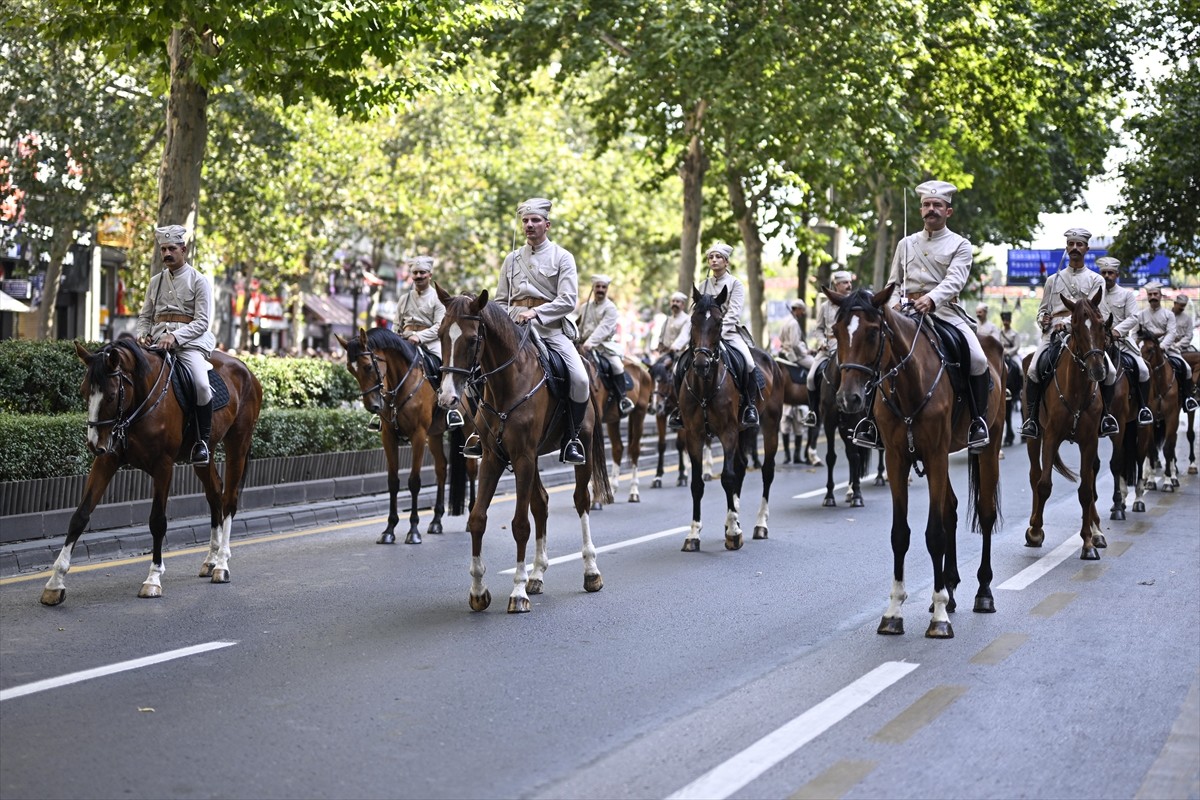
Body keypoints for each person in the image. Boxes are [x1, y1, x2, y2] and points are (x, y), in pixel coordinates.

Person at [473, 197, 590, 465]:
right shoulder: (511, 259)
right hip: (513, 332)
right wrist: (509, 316)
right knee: (478, 372)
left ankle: (572, 438)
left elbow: (568, 299)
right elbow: (501, 300)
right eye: (525, 220)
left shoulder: (563, 257)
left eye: (535, 220)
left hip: (550, 331)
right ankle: (481, 434)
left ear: (546, 225)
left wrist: (536, 312)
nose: (529, 225)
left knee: (581, 380)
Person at [884, 180, 990, 451]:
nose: (931, 209)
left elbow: (955, 281)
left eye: (937, 205)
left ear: (948, 211)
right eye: (927, 205)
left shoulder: (960, 245)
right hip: (905, 313)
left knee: (978, 359)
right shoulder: (905, 244)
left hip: (944, 312)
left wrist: (931, 299)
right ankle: (872, 424)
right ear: (921, 210)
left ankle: (977, 421)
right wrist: (893, 305)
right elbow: (893, 283)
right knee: (875, 353)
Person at [1021, 227, 1119, 439]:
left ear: (1086, 249)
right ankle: (1032, 420)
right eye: (1071, 244)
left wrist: (1066, 322)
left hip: (1085, 334)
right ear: (1067, 248)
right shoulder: (1053, 280)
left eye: (1079, 244)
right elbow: (1043, 309)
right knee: (1032, 371)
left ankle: (1106, 417)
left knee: (1110, 372)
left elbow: (1089, 311)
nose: (1075, 248)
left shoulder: (1096, 280)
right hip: (1054, 334)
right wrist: (1044, 320)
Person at [136, 224, 218, 464]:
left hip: (188, 345)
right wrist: (143, 334)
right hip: (157, 343)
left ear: (184, 249)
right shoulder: (155, 281)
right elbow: (145, 317)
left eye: (172, 248)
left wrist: (176, 337)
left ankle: (202, 442)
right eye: (163, 249)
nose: (167, 254)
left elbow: (202, 322)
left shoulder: (199, 281)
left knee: (202, 385)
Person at [668, 242, 760, 431]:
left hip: (729, 333)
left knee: (749, 363)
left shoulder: (736, 284)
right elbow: (695, 319)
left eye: (718, 257)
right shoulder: (702, 285)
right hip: (703, 337)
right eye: (711, 257)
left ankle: (749, 407)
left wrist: (717, 335)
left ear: (726, 261)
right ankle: (680, 409)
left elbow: (733, 313)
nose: (714, 260)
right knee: (679, 366)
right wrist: (679, 343)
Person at [395, 255, 462, 428]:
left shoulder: (438, 298)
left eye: (422, 272)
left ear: (430, 275)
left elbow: (439, 326)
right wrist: (397, 338)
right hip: (405, 342)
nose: (418, 276)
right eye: (415, 273)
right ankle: (385, 411)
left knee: (443, 366)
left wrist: (419, 337)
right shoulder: (404, 299)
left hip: (431, 343)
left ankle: (450, 411)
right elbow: (397, 324)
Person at [1097, 257, 1153, 425]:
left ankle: (1143, 408)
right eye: (1104, 273)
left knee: (1143, 370)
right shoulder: (1094, 294)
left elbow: (1134, 316)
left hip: (1123, 342)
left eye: (1110, 273)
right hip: (1100, 343)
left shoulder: (1126, 294)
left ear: (1117, 275)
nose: (1107, 276)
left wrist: (1117, 331)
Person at [577, 274, 635, 416]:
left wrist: (590, 343)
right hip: (584, 345)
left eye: (603, 287)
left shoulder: (611, 308)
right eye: (598, 287)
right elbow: (579, 327)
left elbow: (604, 328)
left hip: (605, 347)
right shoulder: (584, 307)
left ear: (607, 289)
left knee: (616, 366)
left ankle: (622, 398)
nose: (600, 289)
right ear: (593, 288)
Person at [1137, 282, 1199, 413]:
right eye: (1150, 294)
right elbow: (1136, 333)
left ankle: (1188, 399)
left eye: (1155, 294)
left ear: (1160, 296)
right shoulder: (1141, 314)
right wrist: (1137, 345)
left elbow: (1172, 332)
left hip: (1166, 349)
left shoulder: (1168, 314)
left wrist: (1163, 346)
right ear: (1147, 297)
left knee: (1187, 368)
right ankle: (1137, 403)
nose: (1153, 297)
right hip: (1146, 350)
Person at [803, 269, 854, 427]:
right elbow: (818, 329)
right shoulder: (825, 306)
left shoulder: (854, 302)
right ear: (836, 285)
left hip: (849, 348)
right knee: (811, 377)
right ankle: (813, 412)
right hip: (827, 348)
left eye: (850, 282)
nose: (849, 285)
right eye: (845, 283)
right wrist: (821, 342)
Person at [778, 298, 814, 463]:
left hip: (783, 352)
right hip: (795, 356)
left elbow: (782, 338)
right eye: (802, 310)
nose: (803, 313)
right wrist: (807, 351)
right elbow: (794, 344)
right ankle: (816, 397)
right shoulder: (793, 323)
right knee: (817, 367)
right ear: (797, 309)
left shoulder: (786, 321)